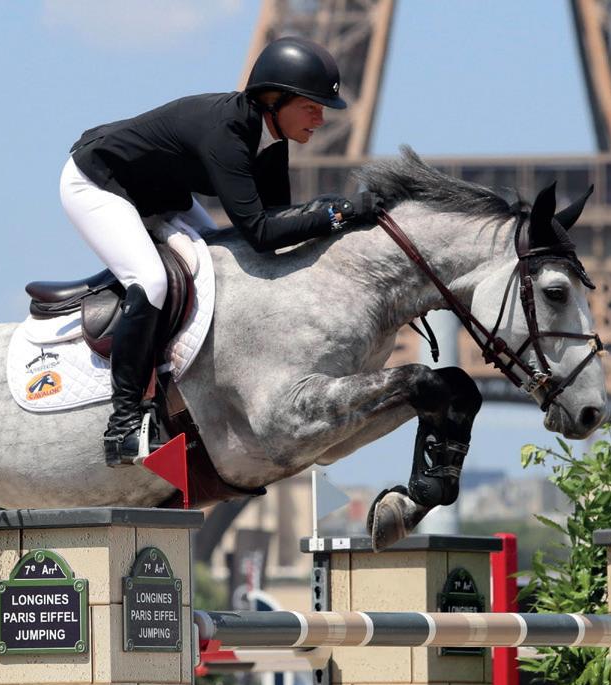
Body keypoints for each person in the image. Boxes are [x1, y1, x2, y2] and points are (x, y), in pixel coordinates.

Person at [63, 36, 384, 466]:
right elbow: (262, 232)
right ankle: (123, 425)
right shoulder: (227, 134)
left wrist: (339, 218)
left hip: (162, 197)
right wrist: (339, 213)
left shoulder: (273, 139)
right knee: (151, 281)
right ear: (274, 100)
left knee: (224, 266)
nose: (321, 118)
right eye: (311, 106)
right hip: (98, 185)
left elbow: (279, 226)